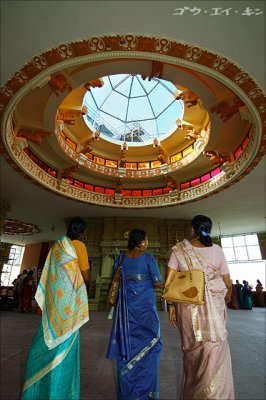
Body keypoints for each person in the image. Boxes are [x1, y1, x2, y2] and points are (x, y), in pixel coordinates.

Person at [21, 217, 90, 400]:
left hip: (54, 304)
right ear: (83, 232)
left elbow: (50, 274)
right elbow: (85, 275)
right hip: (69, 304)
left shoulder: (57, 246)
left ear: (68, 228)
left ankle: (35, 389)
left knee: (45, 337)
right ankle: (60, 392)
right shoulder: (79, 246)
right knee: (65, 339)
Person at [167, 215, 235, 400]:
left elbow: (170, 282)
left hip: (188, 309)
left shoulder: (179, 250)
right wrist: (223, 297)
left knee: (192, 352)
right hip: (214, 310)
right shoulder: (217, 250)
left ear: (192, 229)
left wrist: (171, 306)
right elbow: (227, 282)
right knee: (215, 350)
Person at [106, 228, 163, 399]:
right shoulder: (148, 257)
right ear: (141, 241)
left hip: (125, 313)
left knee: (126, 346)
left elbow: (115, 278)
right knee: (153, 345)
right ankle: (146, 393)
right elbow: (158, 282)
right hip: (145, 312)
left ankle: (127, 393)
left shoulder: (121, 257)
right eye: (146, 240)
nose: (148, 243)